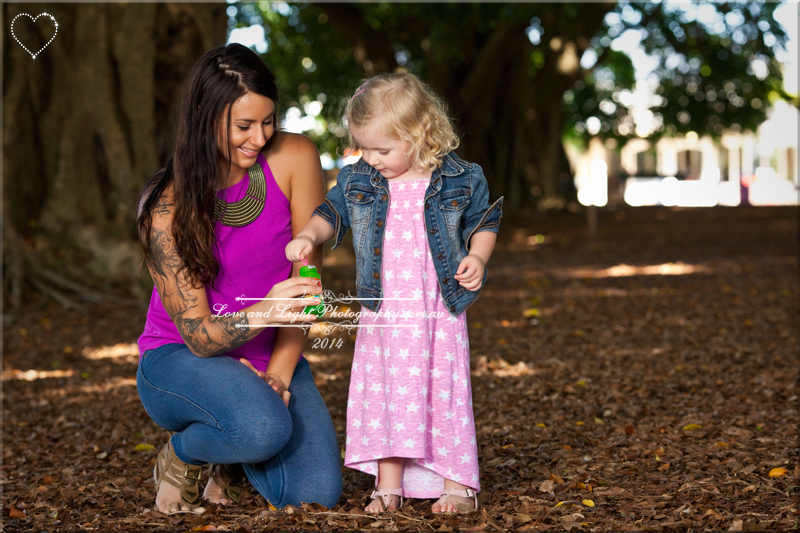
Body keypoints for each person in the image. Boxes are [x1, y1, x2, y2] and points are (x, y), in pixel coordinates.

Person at [135, 43, 342, 515]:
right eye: (243, 126)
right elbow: (202, 338)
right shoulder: (164, 206)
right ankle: (186, 452)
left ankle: (233, 453)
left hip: (271, 354)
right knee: (262, 428)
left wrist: (279, 374)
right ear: (205, 117)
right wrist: (268, 308)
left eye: (267, 121)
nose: (259, 137)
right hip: (180, 360)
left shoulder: (296, 157)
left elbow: (308, 291)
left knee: (314, 498)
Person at [285, 72, 503, 514]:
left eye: (382, 149)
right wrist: (310, 235)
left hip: (438, 308)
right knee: (389, 389)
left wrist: (477, 258)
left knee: (443, 388)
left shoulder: (459, 178)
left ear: (418, 134)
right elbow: (331, 212)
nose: (371, 158)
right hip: (385, 312)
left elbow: (484, 223)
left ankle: (457, 483)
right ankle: (389, 484)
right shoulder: (360, 179)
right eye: (363, 147)